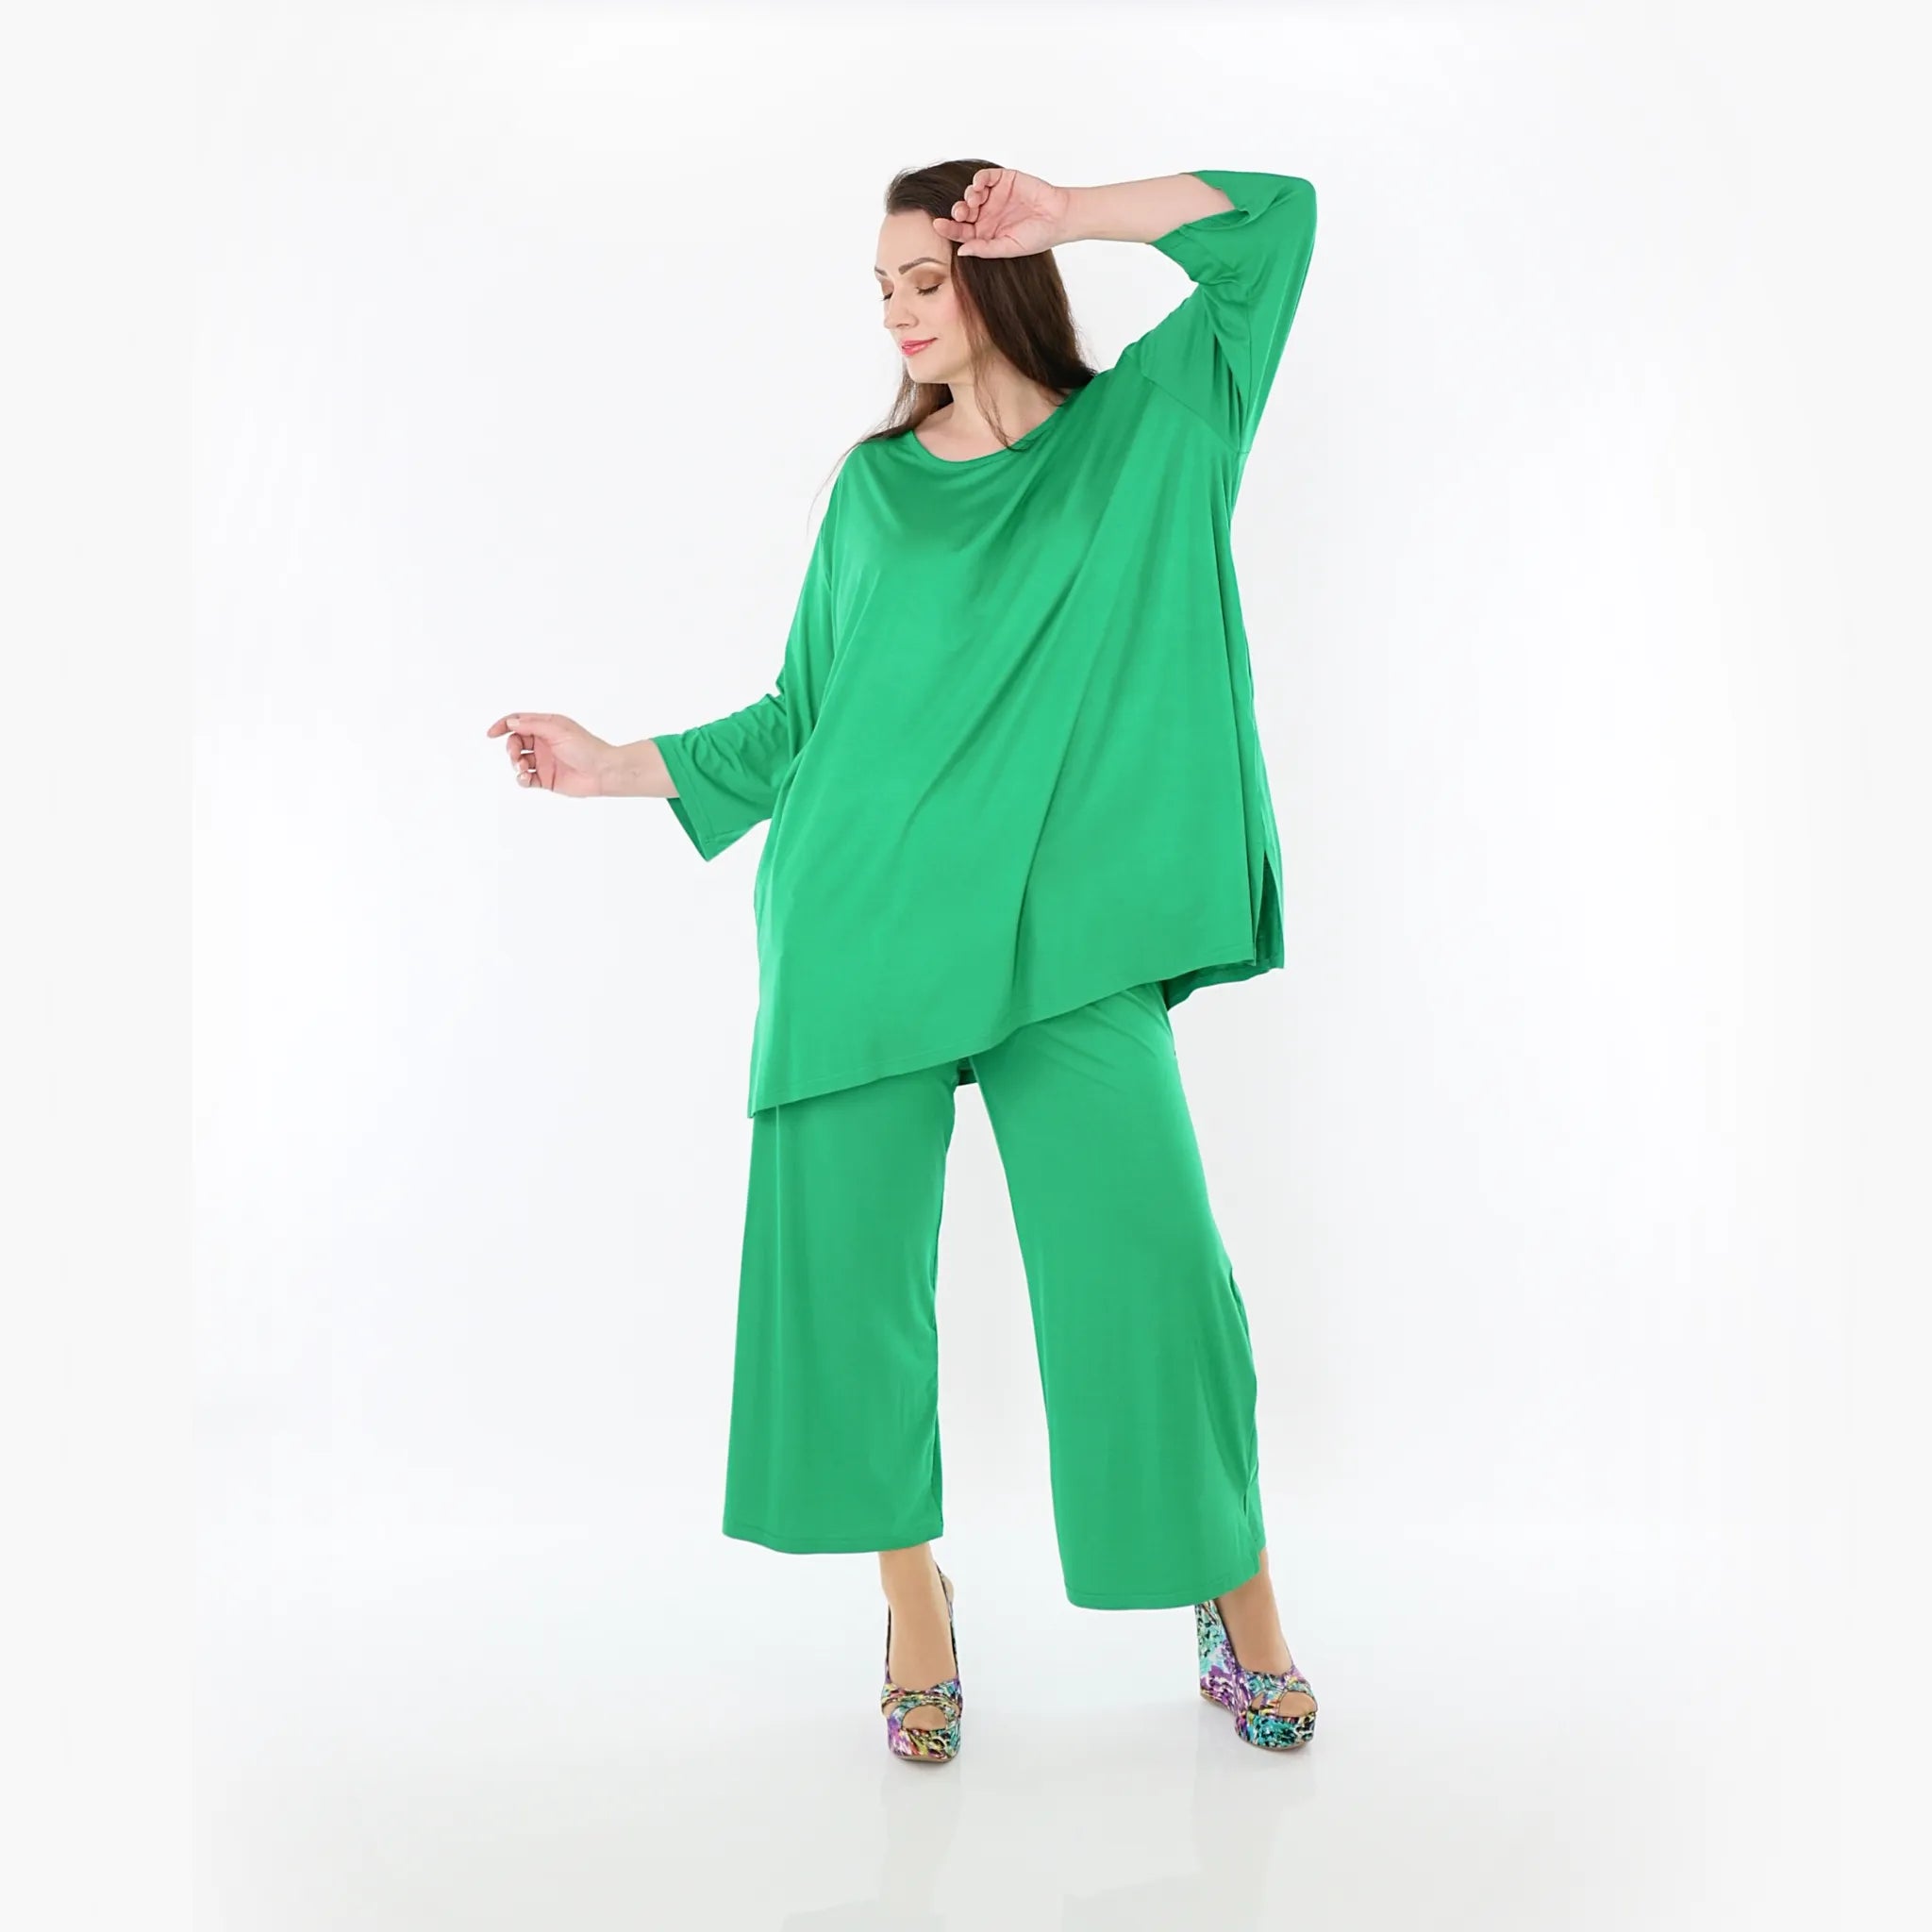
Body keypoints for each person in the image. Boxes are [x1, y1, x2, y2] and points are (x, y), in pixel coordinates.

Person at [486, 163, 1322, 1760]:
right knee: (849, 1286)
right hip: (862, 922)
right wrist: (614, 766)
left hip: (1072, 941)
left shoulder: (1156, 428)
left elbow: (1274, 226)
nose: (894, 310)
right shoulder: (875, 493)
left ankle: (1240, 1598)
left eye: (921, 278)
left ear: (995, 271)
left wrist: (1070, 208)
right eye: (880, 287)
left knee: (1149, 1276)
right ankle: (914, 1602)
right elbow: (804, 718)